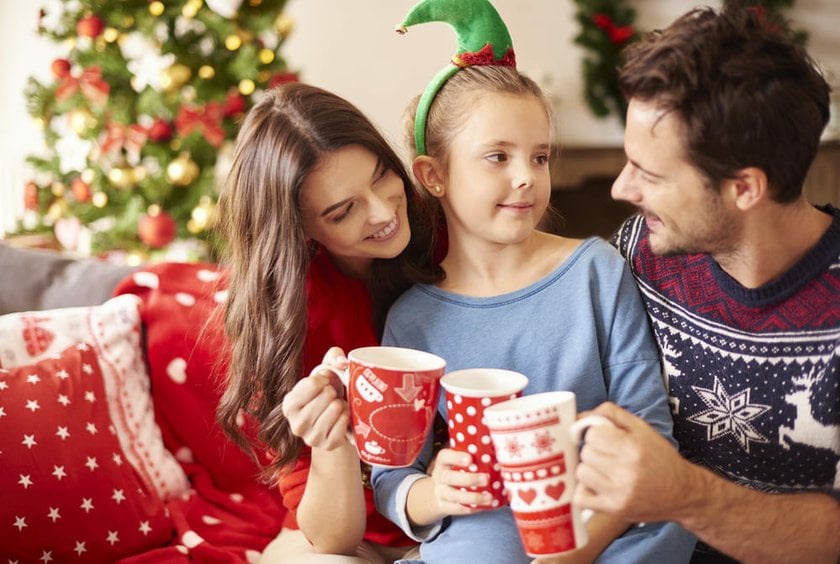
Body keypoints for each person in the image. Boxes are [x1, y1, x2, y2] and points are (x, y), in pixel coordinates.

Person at [371, 2, 697, 562]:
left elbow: (650, 439)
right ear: (434, 175)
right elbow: (390, 477)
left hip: (610, 538)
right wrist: (433, 492)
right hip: (477, 540)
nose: (526, 176)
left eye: (540, 157)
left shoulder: (595, 273)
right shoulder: (412, 320)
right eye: (497, 156)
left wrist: (579, 549)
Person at [573, 6, 840, 564]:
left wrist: (682, 494)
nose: (622, 188)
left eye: (649, 173)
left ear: (744, 187)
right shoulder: (641, 252)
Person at [215, 82, 435, 563]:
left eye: (380, 177)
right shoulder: (285, 319)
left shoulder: (444, 232)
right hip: (357, 537)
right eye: (342, 211)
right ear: (300, 229)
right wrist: (331, 442)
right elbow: (331, 539)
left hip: (458, 519)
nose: (382, 212)